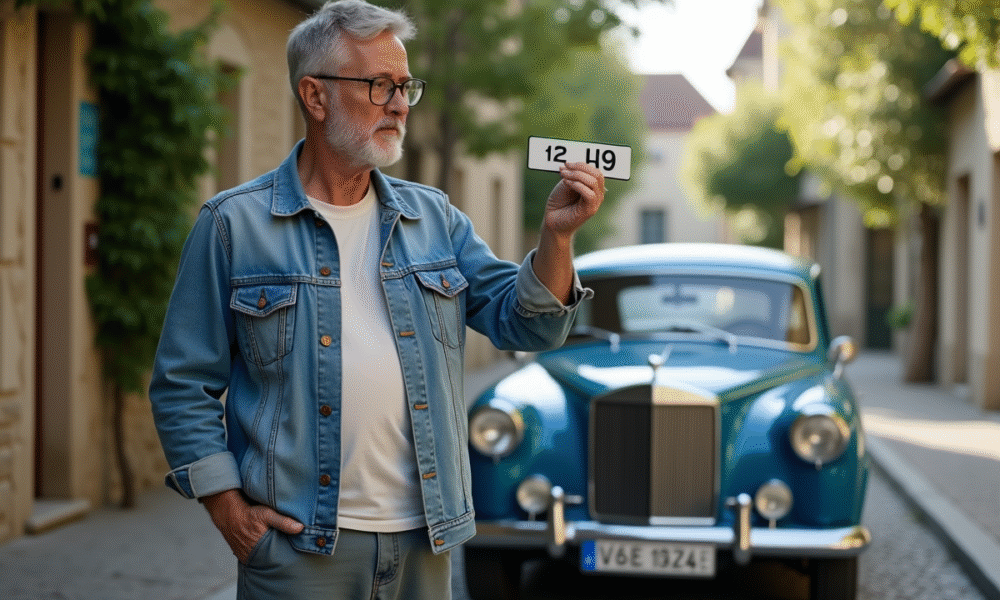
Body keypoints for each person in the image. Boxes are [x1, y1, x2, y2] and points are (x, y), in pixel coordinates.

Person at [148, 1, 605, 598]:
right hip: (298, 552)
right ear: (315, 97)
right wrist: (227, 507)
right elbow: (183, 382)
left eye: (404, 86)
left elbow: (529, 325)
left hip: (424, 543)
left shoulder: (434, 218)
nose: (398, 104)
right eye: (379, 85)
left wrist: (557, 237)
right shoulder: (234, 226)